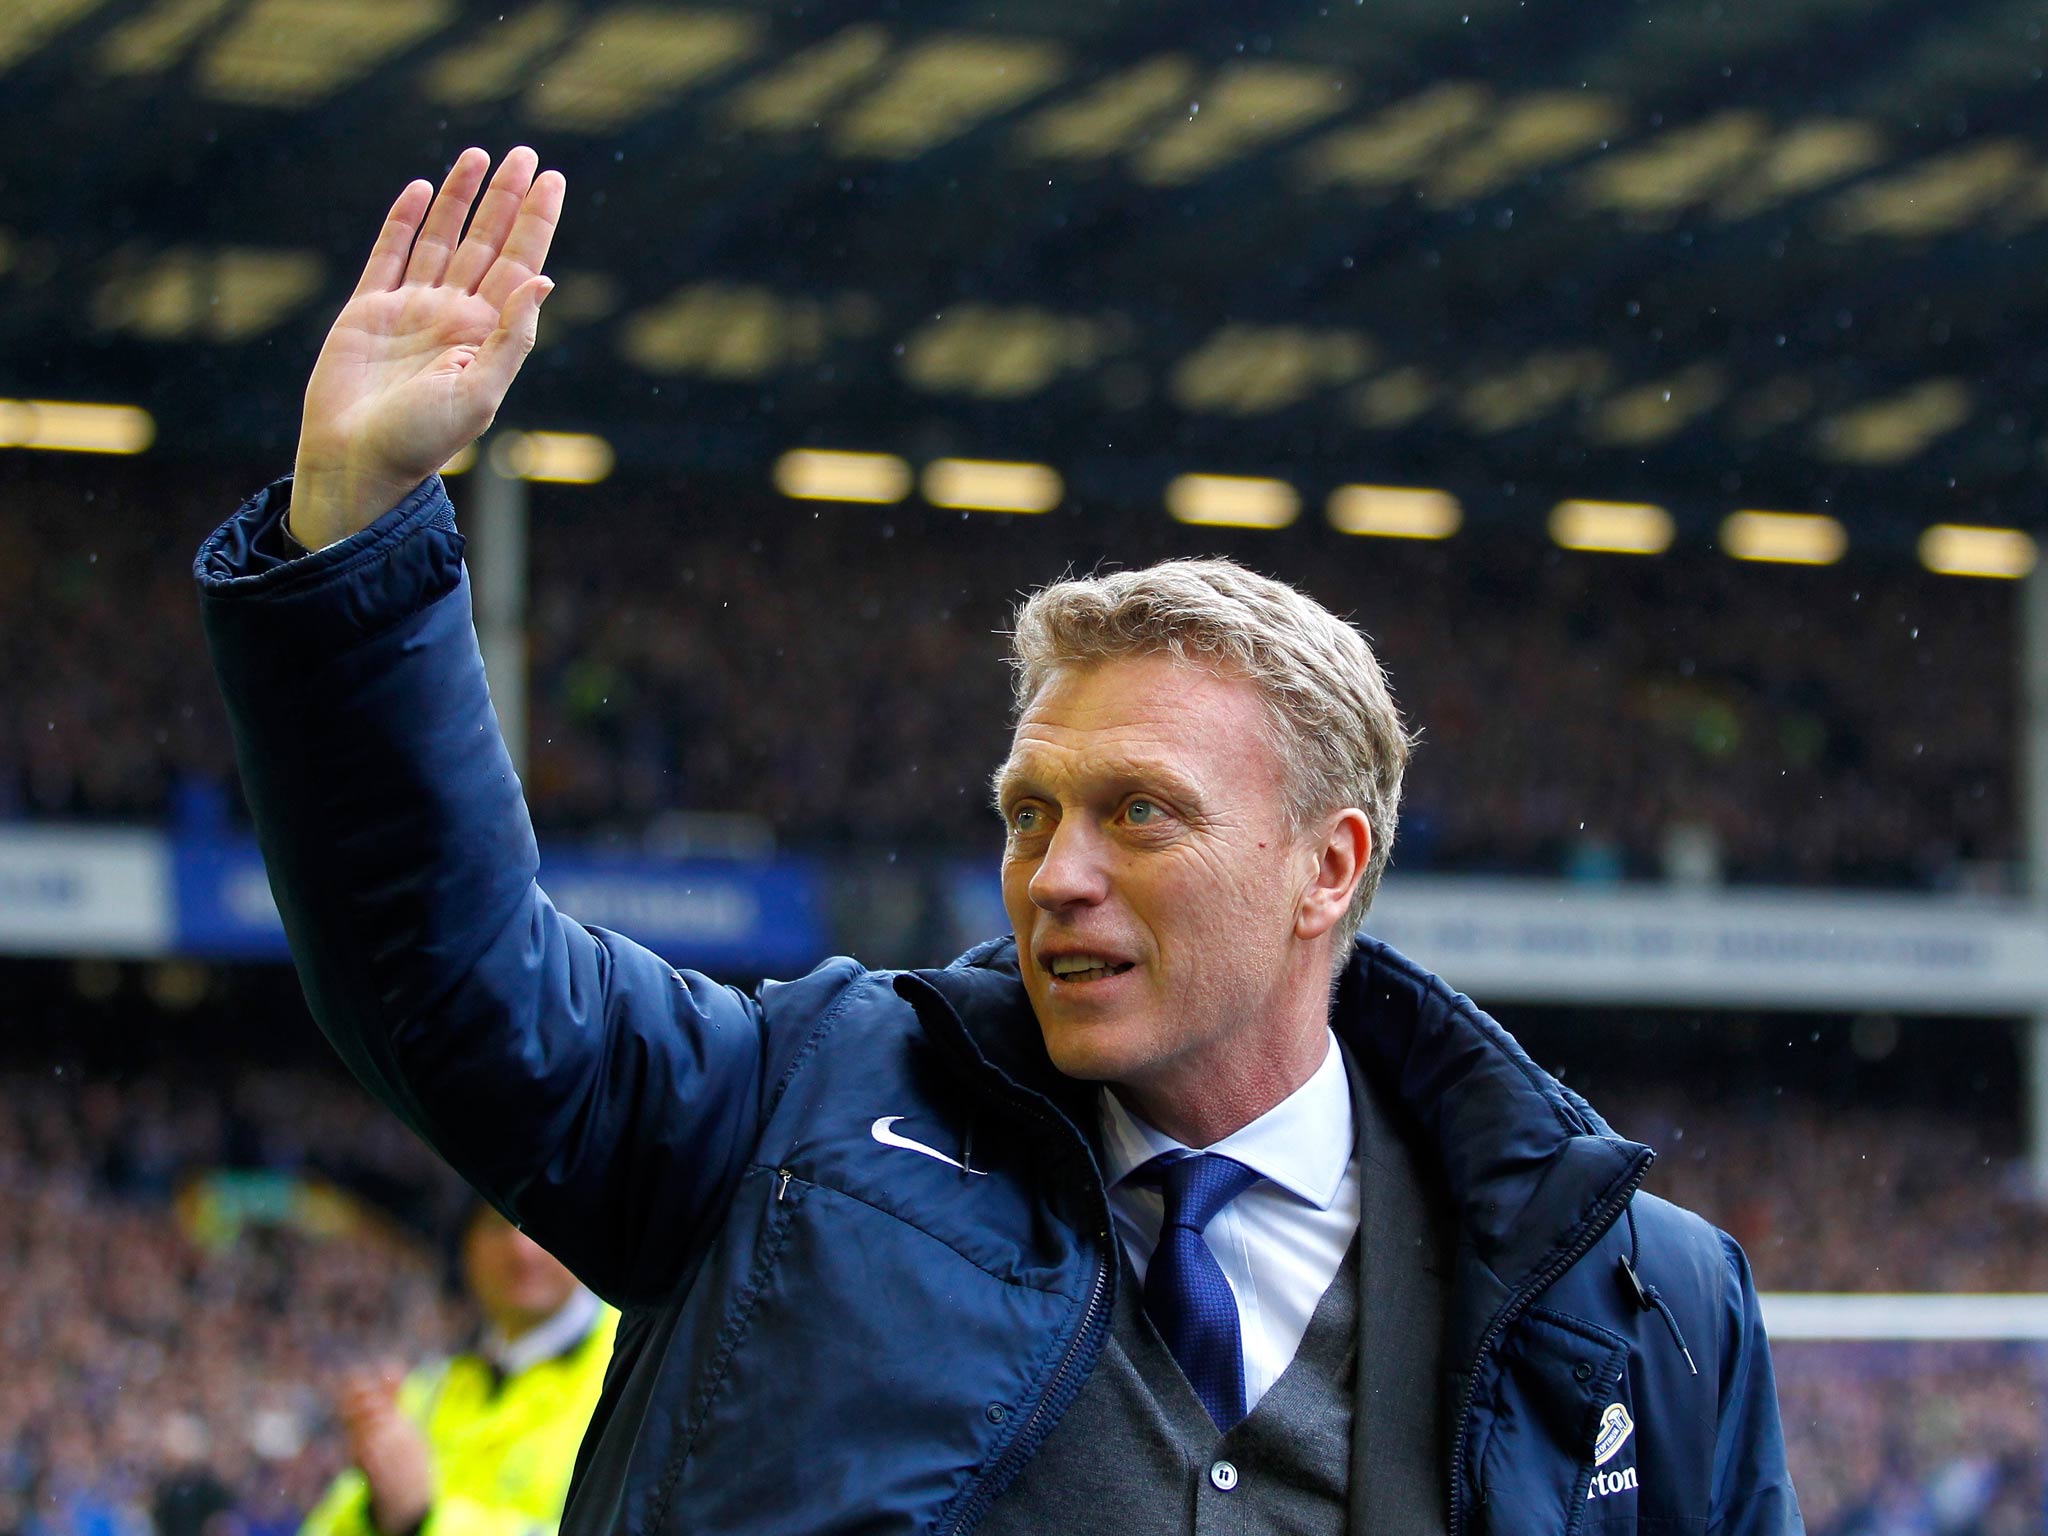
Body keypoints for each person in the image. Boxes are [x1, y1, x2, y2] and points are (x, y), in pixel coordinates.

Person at [197, 146, 1803, 1534]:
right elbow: (450, 973)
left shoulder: (1644, 1305)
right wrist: (355, 522)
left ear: (1330, 865)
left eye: (1140, 814)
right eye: (1030, 812)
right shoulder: (792, 1116)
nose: (1057, 873)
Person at [299, 1204, 616, 1536]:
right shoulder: (429, 1391)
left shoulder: (633, 1376)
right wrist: (376, 1509)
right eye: (498, 1225)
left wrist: (425, 1520)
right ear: (467, 1248)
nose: (522, 1248)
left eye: (543, 1226)